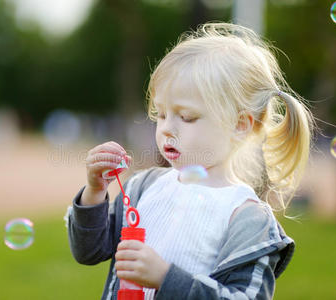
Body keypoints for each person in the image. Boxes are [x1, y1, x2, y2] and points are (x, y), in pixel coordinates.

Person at [66, 22, 314, 299]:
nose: (167, 128)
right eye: (161, 114)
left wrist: (165, 277)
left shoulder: (246, 219)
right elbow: (88, 251)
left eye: (186, 117)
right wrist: (95, 191)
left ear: (240, 125)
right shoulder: (144, 188)